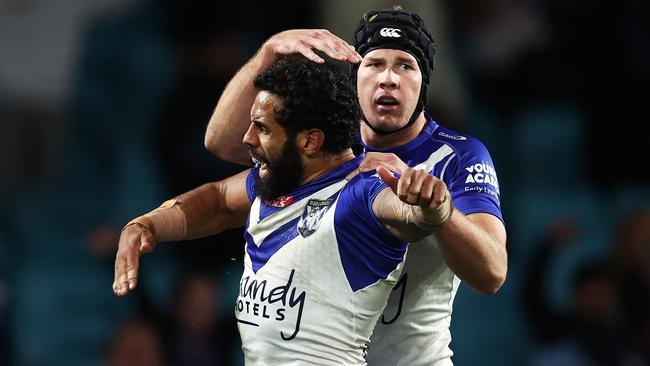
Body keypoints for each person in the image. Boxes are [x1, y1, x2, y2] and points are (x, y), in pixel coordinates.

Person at [204, 7, 507, 365]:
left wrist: (440, 211)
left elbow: (491, 274)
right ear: (355, 77)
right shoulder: (326, 146)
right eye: (374, 63)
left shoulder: (458, 155)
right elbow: (222, 144)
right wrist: (268, 52)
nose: (388, 79)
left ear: (423, 82)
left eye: (405, 66)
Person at [114, 55, 457, 365]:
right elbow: (217, 201)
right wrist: (147, 225)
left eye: (262, 128)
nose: (247, 138)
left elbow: (408, 218)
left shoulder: (360, 194)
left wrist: (432, 206)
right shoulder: (275, 182)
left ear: (310, 141)